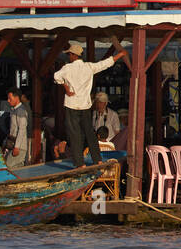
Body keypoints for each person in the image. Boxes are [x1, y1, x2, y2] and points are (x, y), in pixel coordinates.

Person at [54, 41, 128, 169]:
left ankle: (80, 163)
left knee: (75, 135)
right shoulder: (88, 67)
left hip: (72, 105)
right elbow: (104, 64)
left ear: (72, 55)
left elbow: (56, 77)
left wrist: (66, 88)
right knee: (90, 133)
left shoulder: (67, 68)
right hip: (85, 105)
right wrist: (120, 54)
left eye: (69, 55)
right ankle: (98, 160)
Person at [2, 87, 31, 170]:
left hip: (19, 146)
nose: (8, 100)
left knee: (10, 166)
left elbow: (22, 130)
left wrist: (17, 147)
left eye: (10, 98)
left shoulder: (21, 111)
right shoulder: (14, 110)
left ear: (17, 98)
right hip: (13, 144)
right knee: (14, 166)